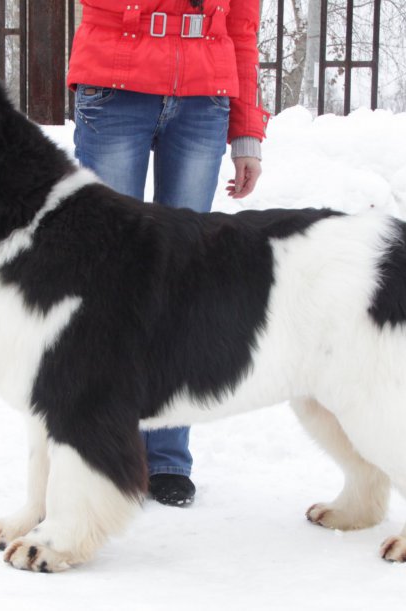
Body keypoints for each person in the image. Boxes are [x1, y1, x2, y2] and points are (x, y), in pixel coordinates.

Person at [67, 0, 270, 507]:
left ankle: (167, 458)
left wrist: (247, 132)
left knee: (181, 282)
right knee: (107, 281)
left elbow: (242, 30)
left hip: (204, 99)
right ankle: (100, 450)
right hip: (117, 89)